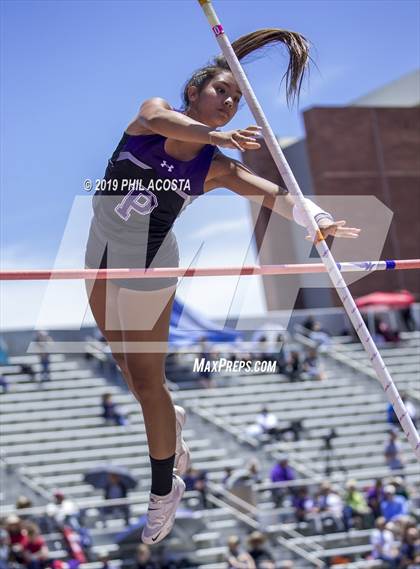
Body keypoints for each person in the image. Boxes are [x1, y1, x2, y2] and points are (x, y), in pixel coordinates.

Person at [83, 28, 360, 546]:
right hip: (99, 255)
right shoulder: (154, 113)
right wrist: (214, 135)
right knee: (127, 369)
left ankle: (166, 488)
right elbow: (164, 121)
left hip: (149, 266)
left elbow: (275, 194)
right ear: (194, 93)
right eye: (220, 91)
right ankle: (172, 415)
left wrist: (316, 215)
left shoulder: (216, 168)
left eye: (235, 98)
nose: (229, 103)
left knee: (146, 386)